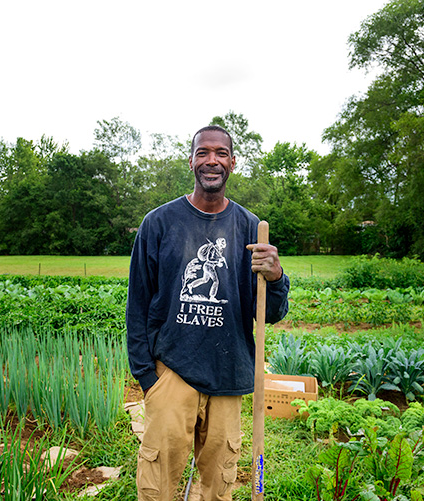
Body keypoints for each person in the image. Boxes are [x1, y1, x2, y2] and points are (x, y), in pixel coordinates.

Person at [126, 125, 290, 500]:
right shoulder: (159, 223)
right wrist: (148, 379)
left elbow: (269, 313)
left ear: (232, 162)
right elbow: (137, 305)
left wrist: (276, 276)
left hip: (227, 375)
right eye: (203, 153)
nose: (211, 160)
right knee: (158, 484)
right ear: (192, 161)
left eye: (220, 153)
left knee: (219, 485)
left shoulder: (250, 228)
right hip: (172, 372)